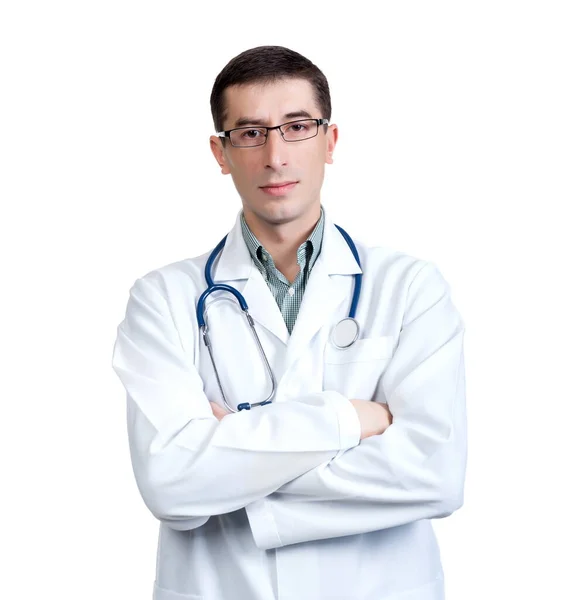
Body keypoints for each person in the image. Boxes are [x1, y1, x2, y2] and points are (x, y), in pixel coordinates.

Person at [112, 45, 467, 600]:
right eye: (250, 133)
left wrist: (230, 461)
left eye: (297, 126)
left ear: (330, 141)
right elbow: (171, 485)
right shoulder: (163, 300)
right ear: (220, 152)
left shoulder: (411, 288)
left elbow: (436, 474)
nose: (275, 155)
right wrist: (348, 419)